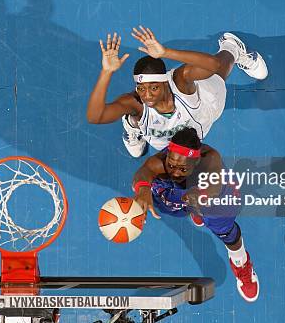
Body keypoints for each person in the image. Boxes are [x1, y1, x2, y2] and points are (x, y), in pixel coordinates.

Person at [86, 26, 268, 157]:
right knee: (132, 112)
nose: (146, 95)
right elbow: (95, 117)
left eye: (153, 88)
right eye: (141, 88)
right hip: (168, 139)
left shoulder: (179, 80)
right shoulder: (135, 102)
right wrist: (106, 72)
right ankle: (132, 125)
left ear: (165, 82)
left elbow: (213, 65)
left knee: (220, 70)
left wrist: (165, 52)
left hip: (205, 109)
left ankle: (232, 47)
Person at [132, 127, 259, 302]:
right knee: (159, 196)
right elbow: (143, 172)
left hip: (210, 194)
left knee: (223, 225)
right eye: (171, 165)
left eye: (182, 169)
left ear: (196, 161)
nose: (175, 172)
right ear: (167, 155)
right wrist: (142, 189)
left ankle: (241, 261)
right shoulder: (162, 164)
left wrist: (200, 194)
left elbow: (214, 188)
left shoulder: (210, 160)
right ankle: (192, 209)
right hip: (183, 194)